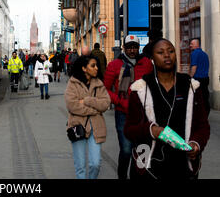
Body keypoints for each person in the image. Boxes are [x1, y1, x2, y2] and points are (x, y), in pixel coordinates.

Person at [124, 38, 210, 179]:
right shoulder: (140, 89)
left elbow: (202, 125)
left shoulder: (191, 87)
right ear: (152, 58)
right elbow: (129, 130)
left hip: (182, 165)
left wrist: (196, 143)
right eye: (160, 52)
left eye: (171, 51)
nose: (167, 55)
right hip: (149, 165)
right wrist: (152, 130)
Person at [103, 34, 153, 179]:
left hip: (144, 113)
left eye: (135, 47)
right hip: (123, 112)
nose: (132, 50)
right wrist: (119, 101)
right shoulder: (114, 64)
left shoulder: (146, 63)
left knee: (142, 148)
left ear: (139, 48)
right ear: (124, 48)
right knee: (126, 150)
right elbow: (105, 89)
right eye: (129, 47)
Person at [65, 55, 111, 179]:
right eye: (93, 65)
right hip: (78, 127)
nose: (96, 68)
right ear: (84, 68)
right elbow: (72, 105)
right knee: (80, 166)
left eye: (96, 65)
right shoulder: (73, 83)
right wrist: (95, 110)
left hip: (96, 128)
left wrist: (87, 100)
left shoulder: (99, 83)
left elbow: (106, 103)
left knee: (95, 164)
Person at [189, 38, 210, 116]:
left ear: (197, 44)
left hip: (198, 79)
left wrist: (190, 77)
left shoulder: (194, 53)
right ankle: (205, 114)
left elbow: (194, 67)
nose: (190, 45)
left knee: (197, 99)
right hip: (206, 78)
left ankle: (199, 116)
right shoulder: (205, 54)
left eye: (191, 44)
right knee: (205, 98)